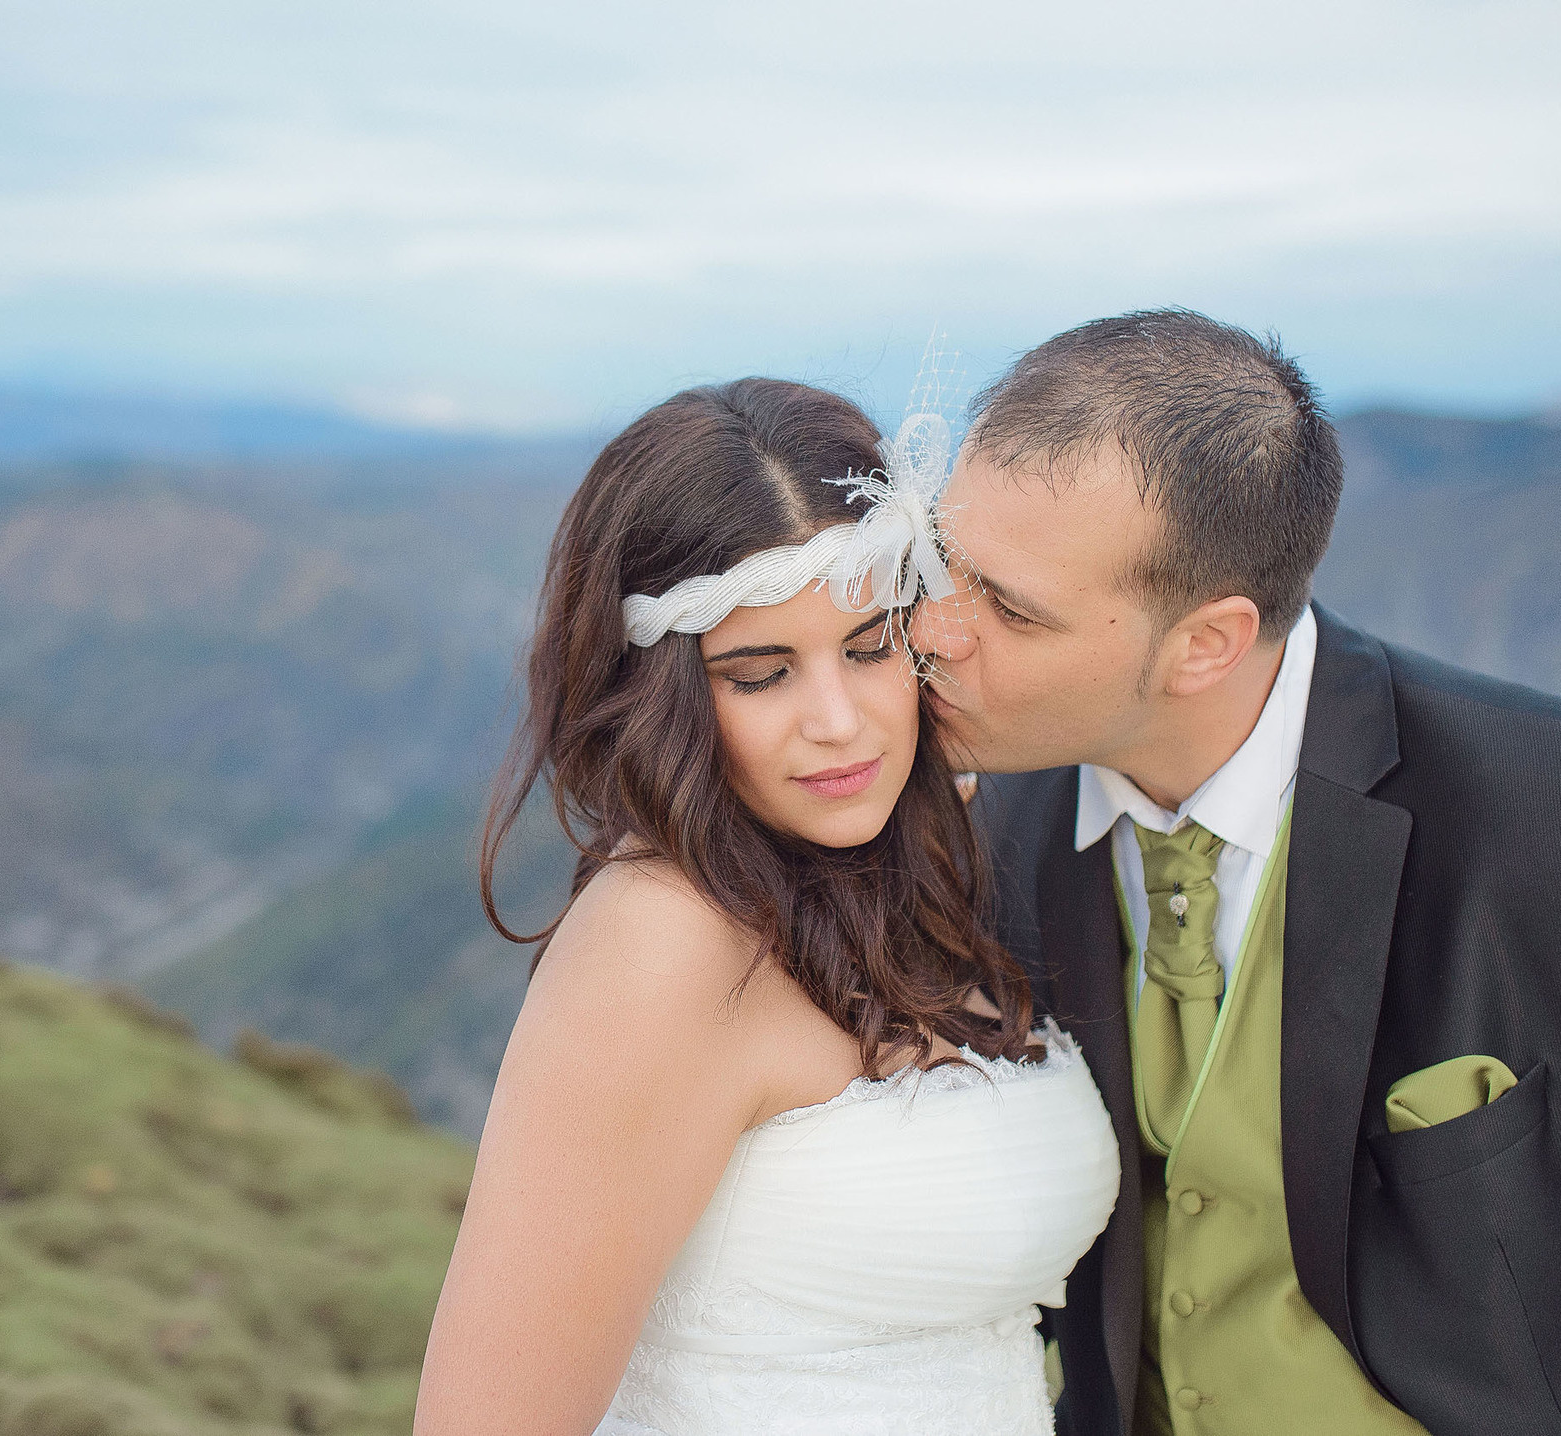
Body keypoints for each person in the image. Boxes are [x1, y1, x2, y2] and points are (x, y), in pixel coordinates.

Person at [917, 308, 1561, 1436]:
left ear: (1206, 641)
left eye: (1008, 608)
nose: (934, 628)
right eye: (945, 562)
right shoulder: (990, 816)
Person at [414, 377, 1121, 1436]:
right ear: (666, 699)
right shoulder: (661, 936)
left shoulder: (928, 868)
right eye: (759, 673)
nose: (838, 723)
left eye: (871, 648)